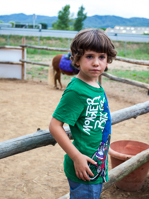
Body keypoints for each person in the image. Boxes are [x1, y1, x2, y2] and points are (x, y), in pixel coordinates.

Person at [49, 29, 117, 199]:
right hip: (84, 166)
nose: (96, 63)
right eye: (89, 56)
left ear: (107, 60)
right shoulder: (76, 90)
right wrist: (76, 157)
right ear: (77, 59)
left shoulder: (95, 85)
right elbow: (55, 126)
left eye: (101, 57)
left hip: (97, 164)